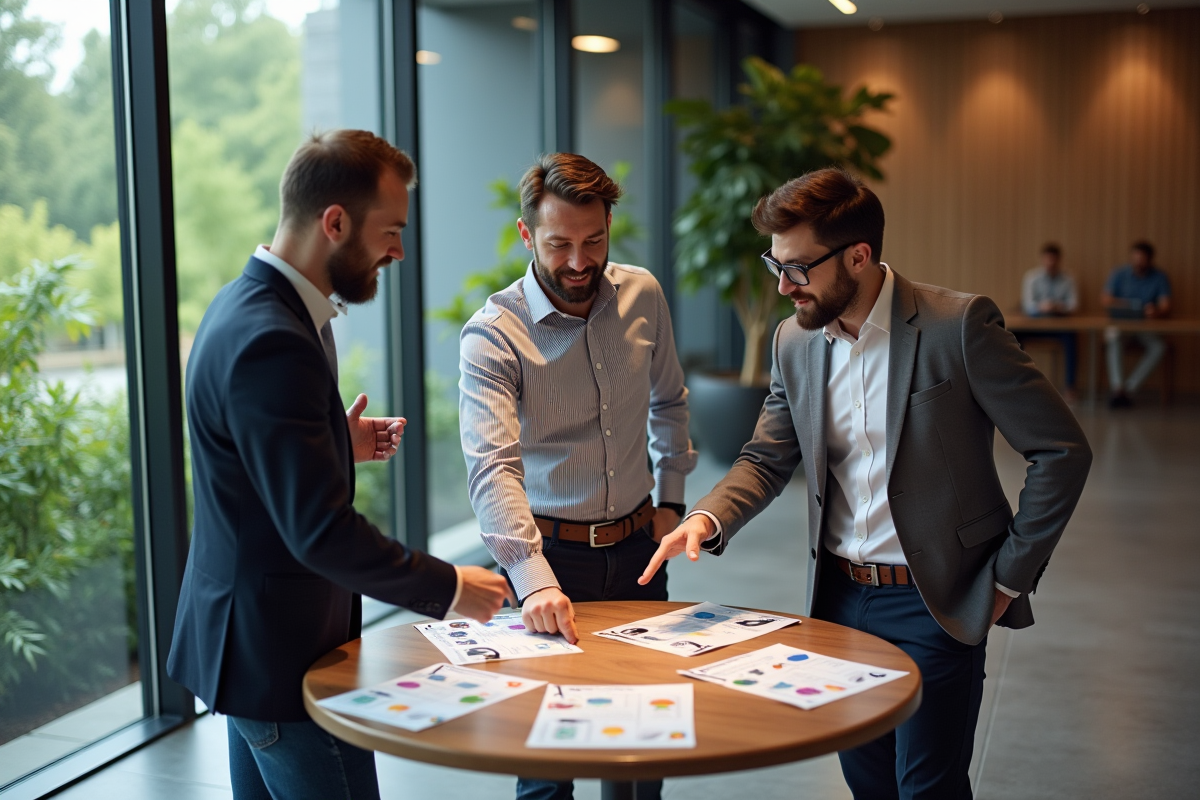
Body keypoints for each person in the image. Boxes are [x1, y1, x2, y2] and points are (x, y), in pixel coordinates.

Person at [640, 168, 1092, 800]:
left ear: (859, 255)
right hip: (840, 603)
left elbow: (1062, 450)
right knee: (866, 781)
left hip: (936, 600)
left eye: (798, 268)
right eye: (776, 264)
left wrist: (1007, 579)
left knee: (926, 786)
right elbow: (767, 455)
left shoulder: (956, 327)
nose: (781, 285)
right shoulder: (795, 341)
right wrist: (707, 517)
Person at [167, 130, 514, 800]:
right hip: (279, 659)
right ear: (335, 222)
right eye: (391, 230)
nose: (399, 251)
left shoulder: (254, 304)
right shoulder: (273, 339)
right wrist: (448, 588)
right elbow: (319, 532)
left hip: (250, 652)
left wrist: (329, 438)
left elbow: (248, 463)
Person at [459, 152, 697, 800]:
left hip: (641, 549)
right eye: (559, 243)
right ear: (526, 234)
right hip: (550, 560)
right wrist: (531, 582)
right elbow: (491, 469)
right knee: (548, 758)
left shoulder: (643, 293)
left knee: (642, 747)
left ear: (610, 224)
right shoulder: (493, 336)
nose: (577, 261)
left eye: (593, 241)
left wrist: (671, 504)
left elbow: (669, 403)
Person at [1101, 240, 1171, 408]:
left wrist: (1156, 311)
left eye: (1142, 258)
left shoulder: (1159, 277)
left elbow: (1166, 305)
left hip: (1145, 327)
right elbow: (1105, 299)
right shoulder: (1119, 273)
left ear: (1149, 259)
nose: (1138, 262)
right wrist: (1129, 305)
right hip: (1122, 325)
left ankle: (1129, 389)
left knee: (1159, 347)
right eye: (1135, 257)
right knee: (1113, 340)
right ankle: (1118, 389)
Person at [1018, 242, 1079, 397]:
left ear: (1059, 260)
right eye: (1047, 260)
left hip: (1058, 326)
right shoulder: (1032, 277)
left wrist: (1059, 307)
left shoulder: (1068, 278)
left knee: (1072, 338)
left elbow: (1074, 305)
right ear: (1042, 260)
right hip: (1034, 326)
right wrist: (1042, 307)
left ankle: (1070, 387)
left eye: (1053, 260)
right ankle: (1018, 384)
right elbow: (1028, 305)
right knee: (1013, 337)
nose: (1050, 263)